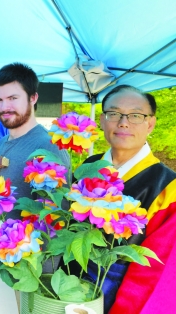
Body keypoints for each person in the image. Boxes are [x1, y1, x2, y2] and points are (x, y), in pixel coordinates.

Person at [79, 85, 176, 313]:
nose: (123, 122)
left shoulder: (168, 187)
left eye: (135, 115)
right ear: (102, 120)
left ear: (150, 123)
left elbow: (154, 269)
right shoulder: (88, 167)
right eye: (114, 114)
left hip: (120, 296)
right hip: (69, 288)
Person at [0, 62, 70, 206]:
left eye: (13, 98)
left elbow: (56, 217)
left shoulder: (49, 147)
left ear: (33, 98)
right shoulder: (2, 142)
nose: (4, 107)